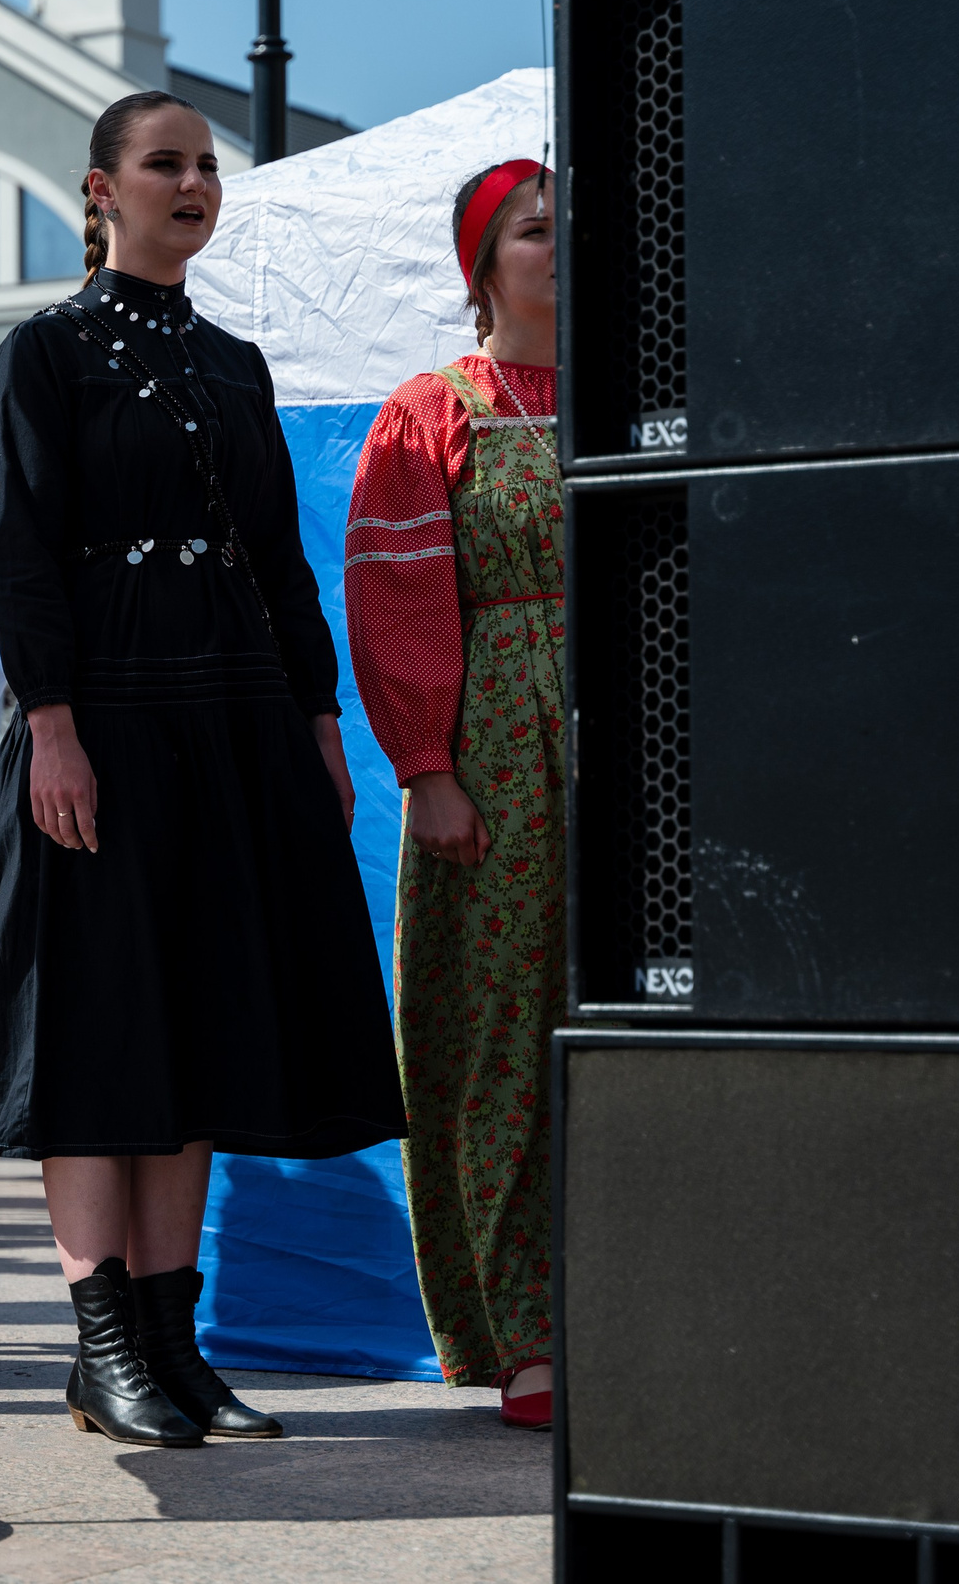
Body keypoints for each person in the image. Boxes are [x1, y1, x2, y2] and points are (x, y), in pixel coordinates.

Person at [0, 91, 407, 1448]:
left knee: (197, 1026)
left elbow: (281, 560)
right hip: (101, 718)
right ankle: (102, 1343)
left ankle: (176, 1342)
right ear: (99, 190)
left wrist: (320, 723)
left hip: (229, 720)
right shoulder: (44, 352)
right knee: (100, 1029)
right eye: (164, 164)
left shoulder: (234, 362)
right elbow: (22, 551)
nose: (194, 184)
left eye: (207, 166)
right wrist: (52, 725)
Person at [344, 160, 563, 1431]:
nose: (562, 245)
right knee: (502, 1036)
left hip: (643, 744)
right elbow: (396, 601)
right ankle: (522, 1328)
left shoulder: (651, 394)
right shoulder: (432, 411)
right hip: (498, 750)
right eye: (536, 230)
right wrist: (427, 766)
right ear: (482, 266)